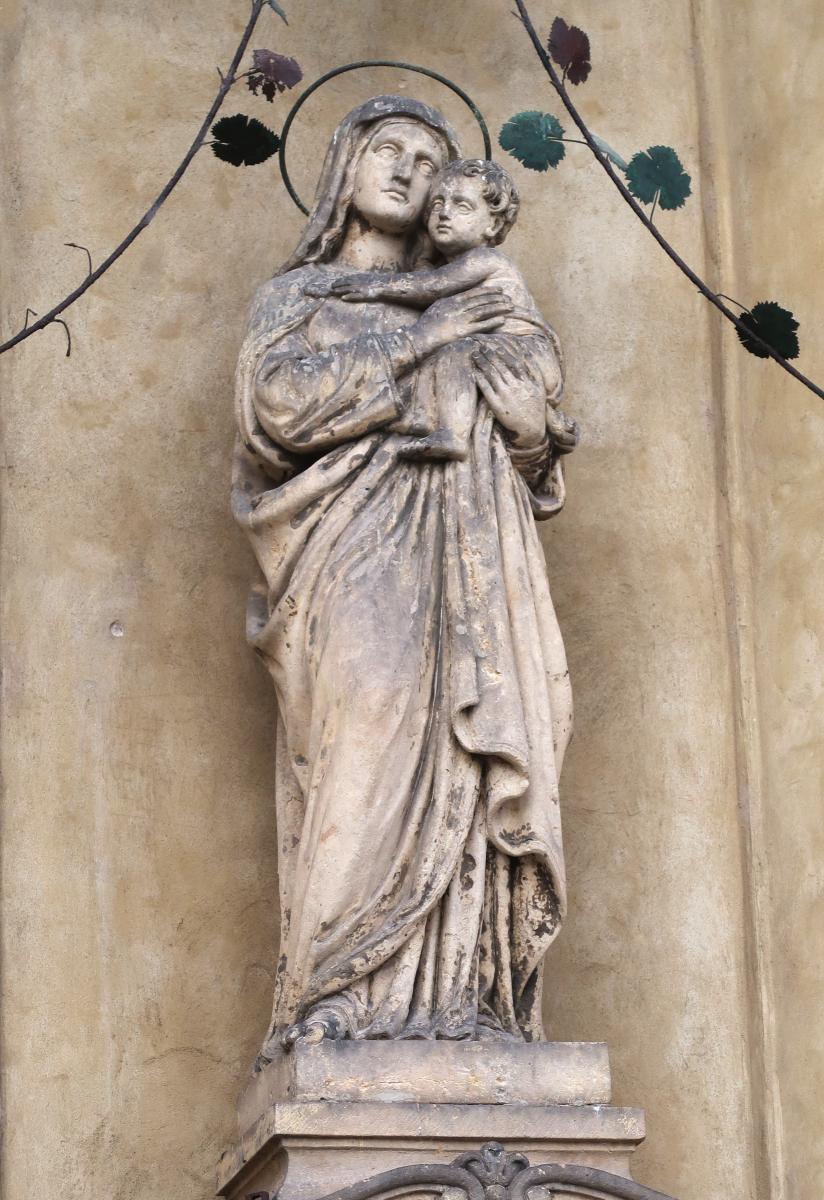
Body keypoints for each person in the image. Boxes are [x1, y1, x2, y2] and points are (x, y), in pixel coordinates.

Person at [232, 96, 578, 1070]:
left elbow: (532, 433)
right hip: (350, 552)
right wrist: (424, 337)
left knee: (473, 749)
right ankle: (336, 994)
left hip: (470, 553)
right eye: (387, 149)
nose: (406, 172)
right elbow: (281, 410)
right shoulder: (298, 297)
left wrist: (529, 431)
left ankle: (468, 1000)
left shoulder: (482, 292)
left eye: (429, 163)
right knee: (370, 730)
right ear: (345, 165)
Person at [310, 157, 577, 462]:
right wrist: (424, 259)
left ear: (492, 224)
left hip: (526, 352)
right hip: (512, 358)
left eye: (462, 206)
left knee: (457, 353)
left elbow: (431, 287)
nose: (444, 213)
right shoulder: (457, 267)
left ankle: (453, 435)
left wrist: (374, 286)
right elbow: (432, 284)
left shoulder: (486, 260)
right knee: (455, 353)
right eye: (437, 203)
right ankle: (537, 420)